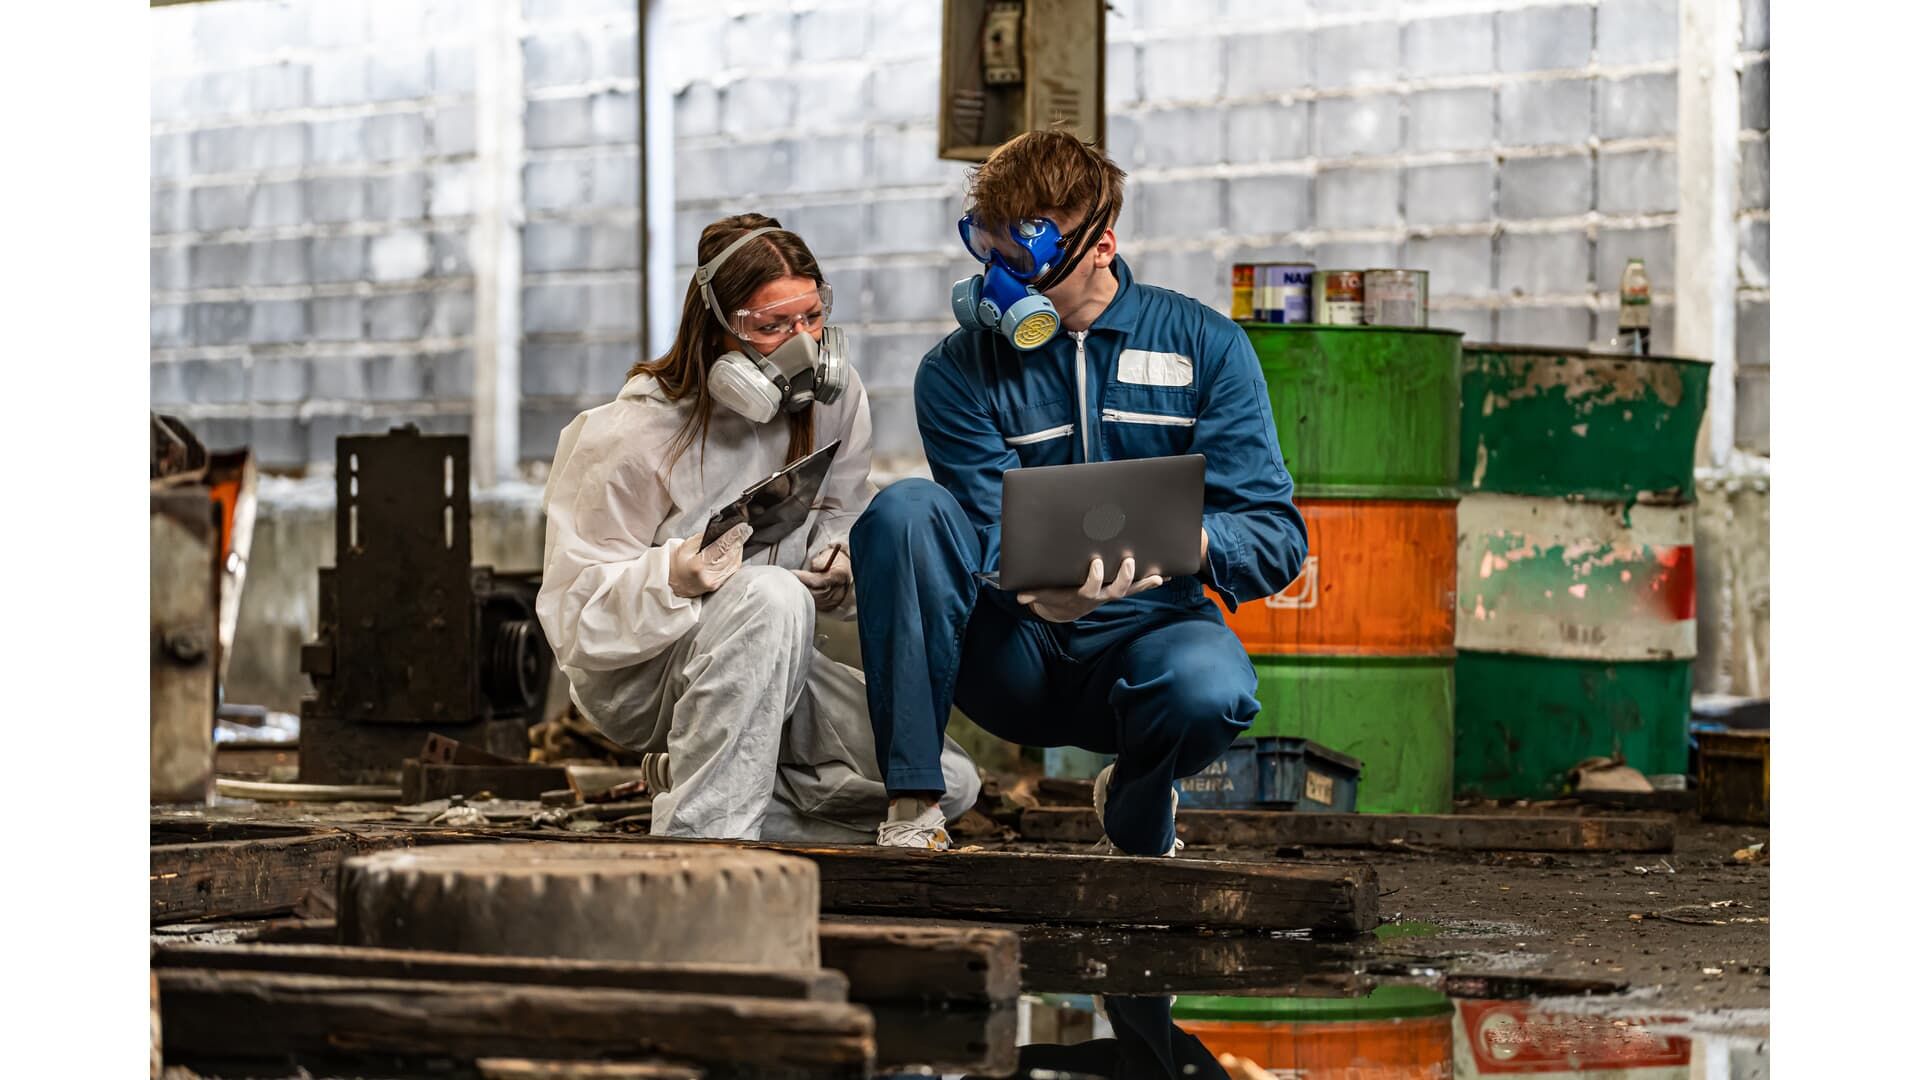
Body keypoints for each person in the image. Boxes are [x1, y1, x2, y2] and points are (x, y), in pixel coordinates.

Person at [850, 132, 1309, 855]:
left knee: (1211, 687)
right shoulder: (957, 370)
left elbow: (1276, 536)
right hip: (1010, 653)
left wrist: (1191, 541)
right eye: (988, 254)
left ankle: (1137, 790)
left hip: (1148, 639)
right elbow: (979, 519)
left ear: (1101, 245)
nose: (1002, 284)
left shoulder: (1205, 347)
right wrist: (1035, 586)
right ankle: (913, 803)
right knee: (904, 510)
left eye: (1023, 261)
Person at [537, 213, 979, 842]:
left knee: (950, 783)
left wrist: (839, 564)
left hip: (780, 651)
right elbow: (574, 619)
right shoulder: (632, 432)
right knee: (770, 596)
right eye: (770, 327)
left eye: (811, 318)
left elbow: (839, 511)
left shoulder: (836, 401)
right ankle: (702, 851)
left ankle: (705, 792)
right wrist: (672, 575)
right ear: (717, 331)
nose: (802, 345)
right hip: (645, 671)